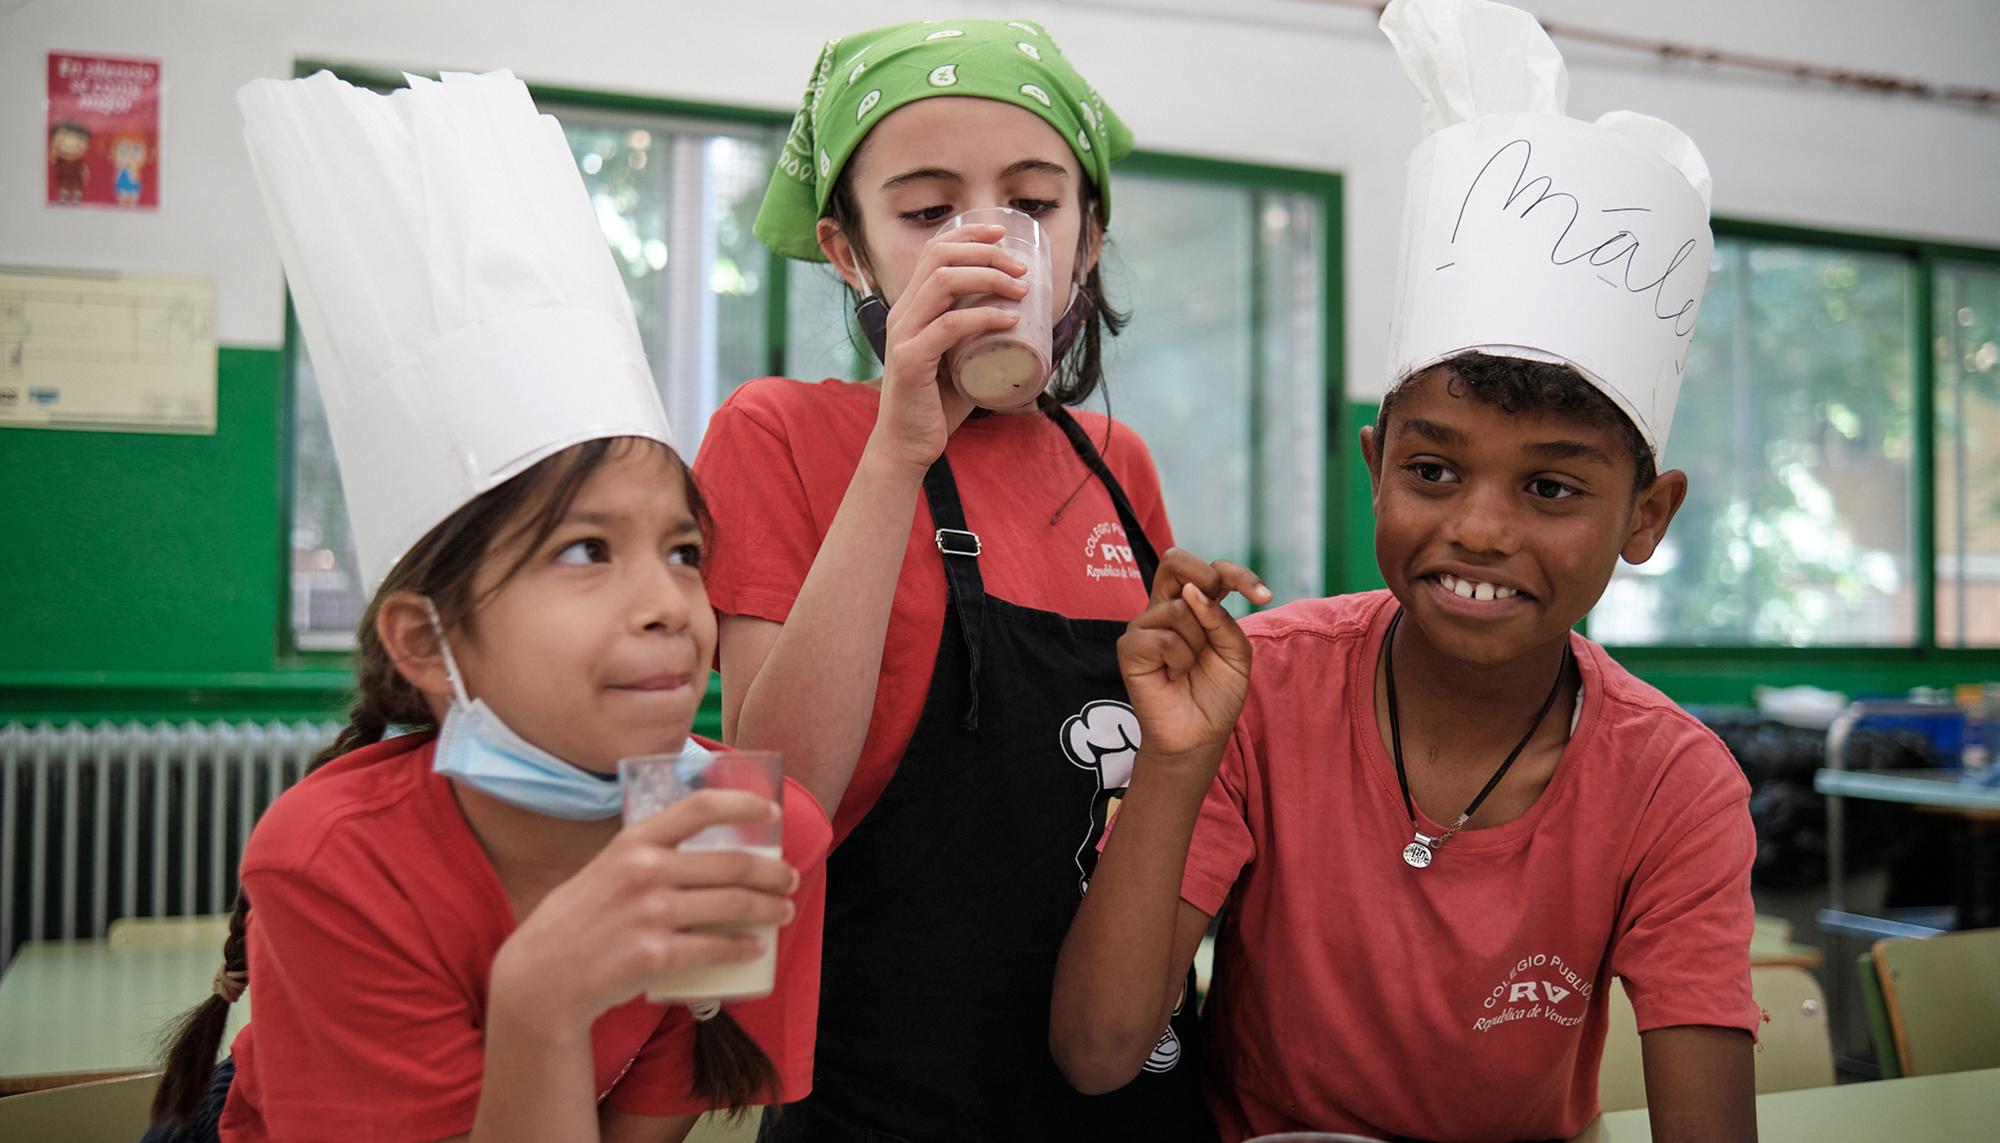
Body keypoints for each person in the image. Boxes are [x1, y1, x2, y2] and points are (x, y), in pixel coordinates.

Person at [1052, 3, 1760, 1141]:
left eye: (1550, 488)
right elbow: (1095, 1053)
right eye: (1434, 468)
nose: (1478, 530)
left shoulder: (1672, 787)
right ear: (1376, 467)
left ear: (1647, 514)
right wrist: (1177, 761)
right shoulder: (1263, 690)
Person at [144, 69, 831, 1143]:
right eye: (584, 549)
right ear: (426, 638)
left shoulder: (745, 832)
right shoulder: (335, 860)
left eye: (685, 550)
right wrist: (544, 996)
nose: (669, 604)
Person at [693, 18, 1236, 1141]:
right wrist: (898, 448)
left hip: (1123, 1082)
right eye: (927, 210)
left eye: (1032, 204)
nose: (985, 240)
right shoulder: (778, 433)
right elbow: (775, 803)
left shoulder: (1114, 462)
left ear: (1084, 241)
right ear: (848, 250)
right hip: (885, 1093)